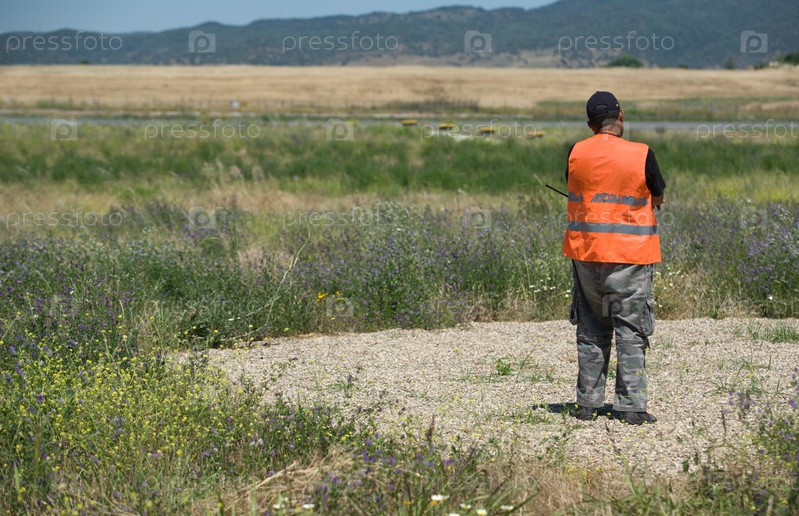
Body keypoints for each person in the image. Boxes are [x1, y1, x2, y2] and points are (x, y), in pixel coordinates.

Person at [562, 91, 665, 425]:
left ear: (590, 124)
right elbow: (658, 194)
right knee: (631, 330)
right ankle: (630, 407)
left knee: (592, 328)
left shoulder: (576, 152)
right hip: (631, 257)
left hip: (587, 255)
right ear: (620, 116)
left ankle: (587, 405)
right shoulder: (642, 153)